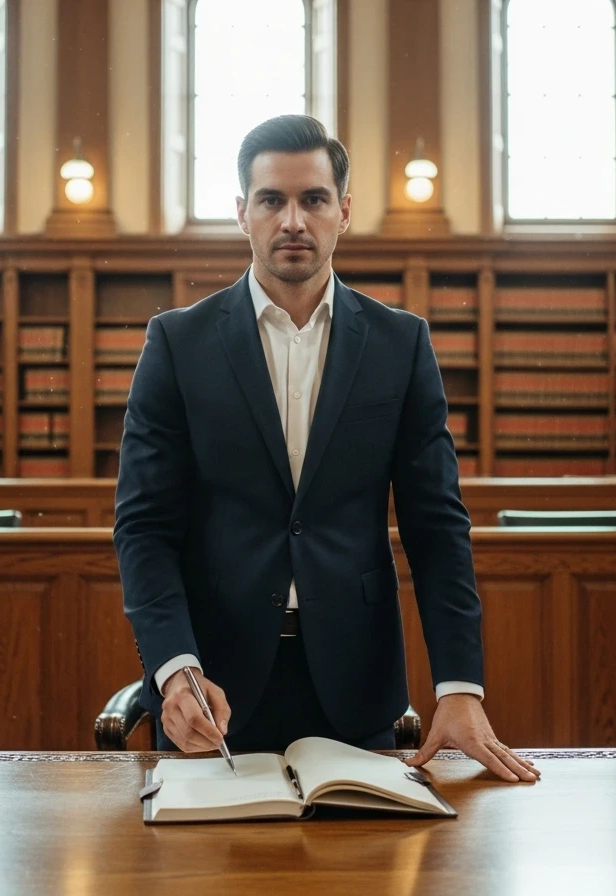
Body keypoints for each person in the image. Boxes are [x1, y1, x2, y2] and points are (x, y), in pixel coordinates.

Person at [113, 114, 538, 782]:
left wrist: (460, 683)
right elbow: (143, 527)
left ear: (342, 211)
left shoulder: (402, 345)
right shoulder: (177, 344)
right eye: (271, 201)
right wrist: (173, 667)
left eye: (312, 199)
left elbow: (436, 526)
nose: (292, 221)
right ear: (241, 214)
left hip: (355, 686)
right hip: (210, 692)